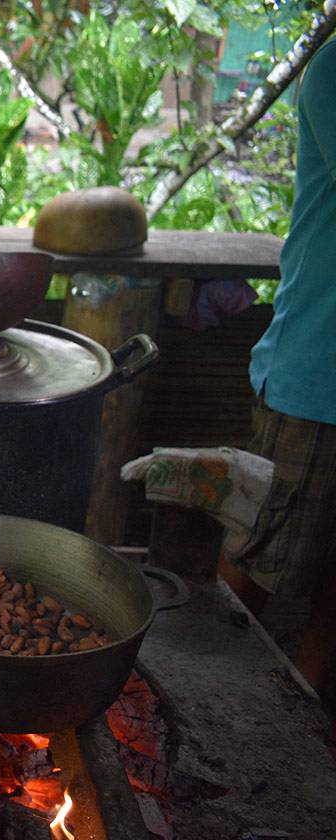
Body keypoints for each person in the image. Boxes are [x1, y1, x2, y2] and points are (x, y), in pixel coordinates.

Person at [219, 35, 336, 726]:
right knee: (257, 562)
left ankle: (301, 718)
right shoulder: (333, 67)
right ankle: (205, 710)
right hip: (316, 378)